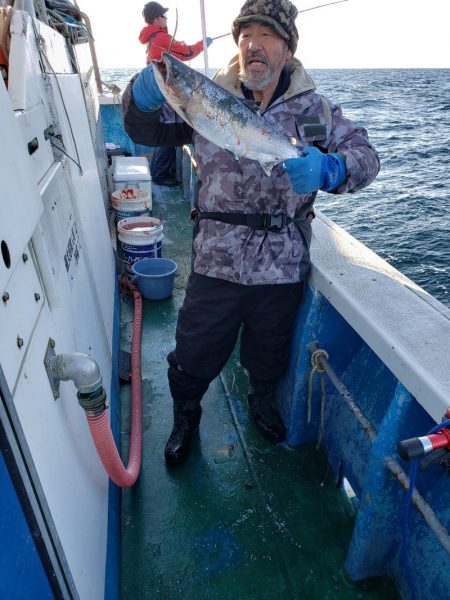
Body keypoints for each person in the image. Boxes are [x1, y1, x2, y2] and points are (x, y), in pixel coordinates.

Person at [123, 0, 380, 465]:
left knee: (268, 353)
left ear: (288, 48)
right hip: (216, 258)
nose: (252, 45)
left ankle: (261, 402)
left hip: (281, 263)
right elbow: (144, 129)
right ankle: (186, 417)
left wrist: (332, 168)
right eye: (245, 35)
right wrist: (138, 97)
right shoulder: (205, 97)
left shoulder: (314, 111)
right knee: (194, 350)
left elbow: (367, 158)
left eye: (266, 35)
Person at [138, 1, 212, 186]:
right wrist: (203, 44)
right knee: (169, 134)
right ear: (156, 18)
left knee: (166, 132)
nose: (166, 18)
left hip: (160, 93)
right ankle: (161, 174)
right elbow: (187, 53)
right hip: (167, 94)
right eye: (163, 15)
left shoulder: (154, 38)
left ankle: (161, 170)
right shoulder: (162, 39)